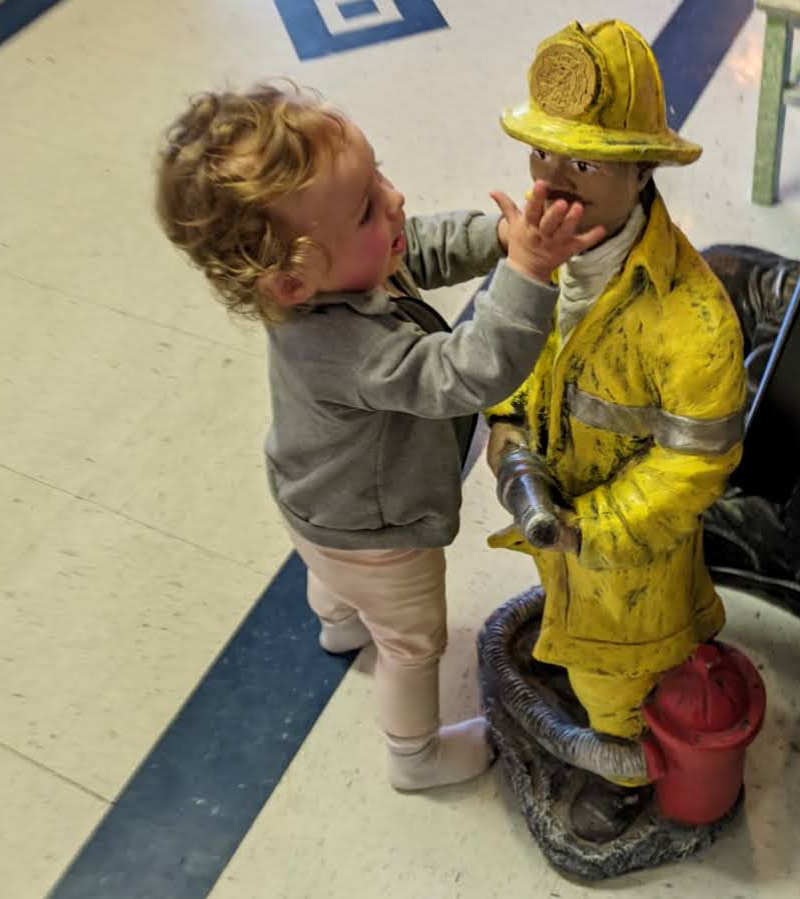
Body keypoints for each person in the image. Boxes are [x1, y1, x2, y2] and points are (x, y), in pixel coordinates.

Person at [155, 82, 605, 791]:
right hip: (376, 532)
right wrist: (527, 273)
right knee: (412, 639)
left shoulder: (343, 266)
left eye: (379, 177)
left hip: (310, 499)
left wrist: (495, 238)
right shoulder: (340, 346)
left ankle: (337, 622)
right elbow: (464, 373)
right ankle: (414, 756)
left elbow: (414, 246)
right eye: (367, 205)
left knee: (333, 578)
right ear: (291, 282)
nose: (394, 200)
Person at [485, 20, 747, 839]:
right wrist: (507, 443)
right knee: (578, 649)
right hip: (559, 536)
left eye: (586, 162)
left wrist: (587, 531)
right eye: (542, 155)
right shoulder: (548, 259)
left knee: (616, 681)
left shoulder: (692, 318)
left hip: (627, 561)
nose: (553, 183)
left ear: (641, 169)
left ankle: (627, 779)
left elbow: (693, 467)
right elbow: (514, 365)